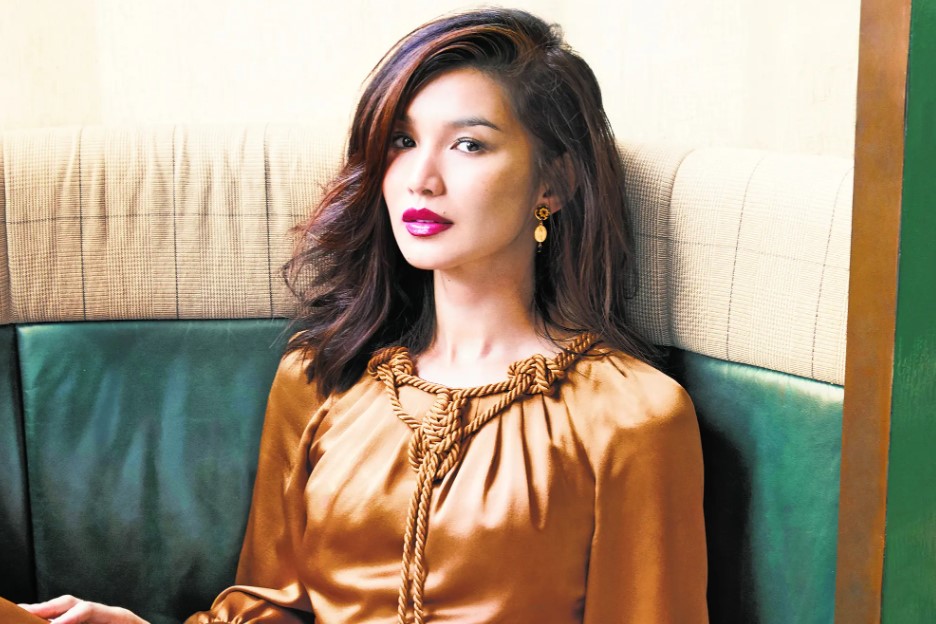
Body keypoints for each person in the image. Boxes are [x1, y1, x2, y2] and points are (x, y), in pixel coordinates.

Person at [22, 7, 707, 624]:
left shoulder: (633, 419)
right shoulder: (321, 378)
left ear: (554, 182)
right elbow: (274, 606)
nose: (420, 179)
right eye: (402, 141)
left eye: (468, 144)